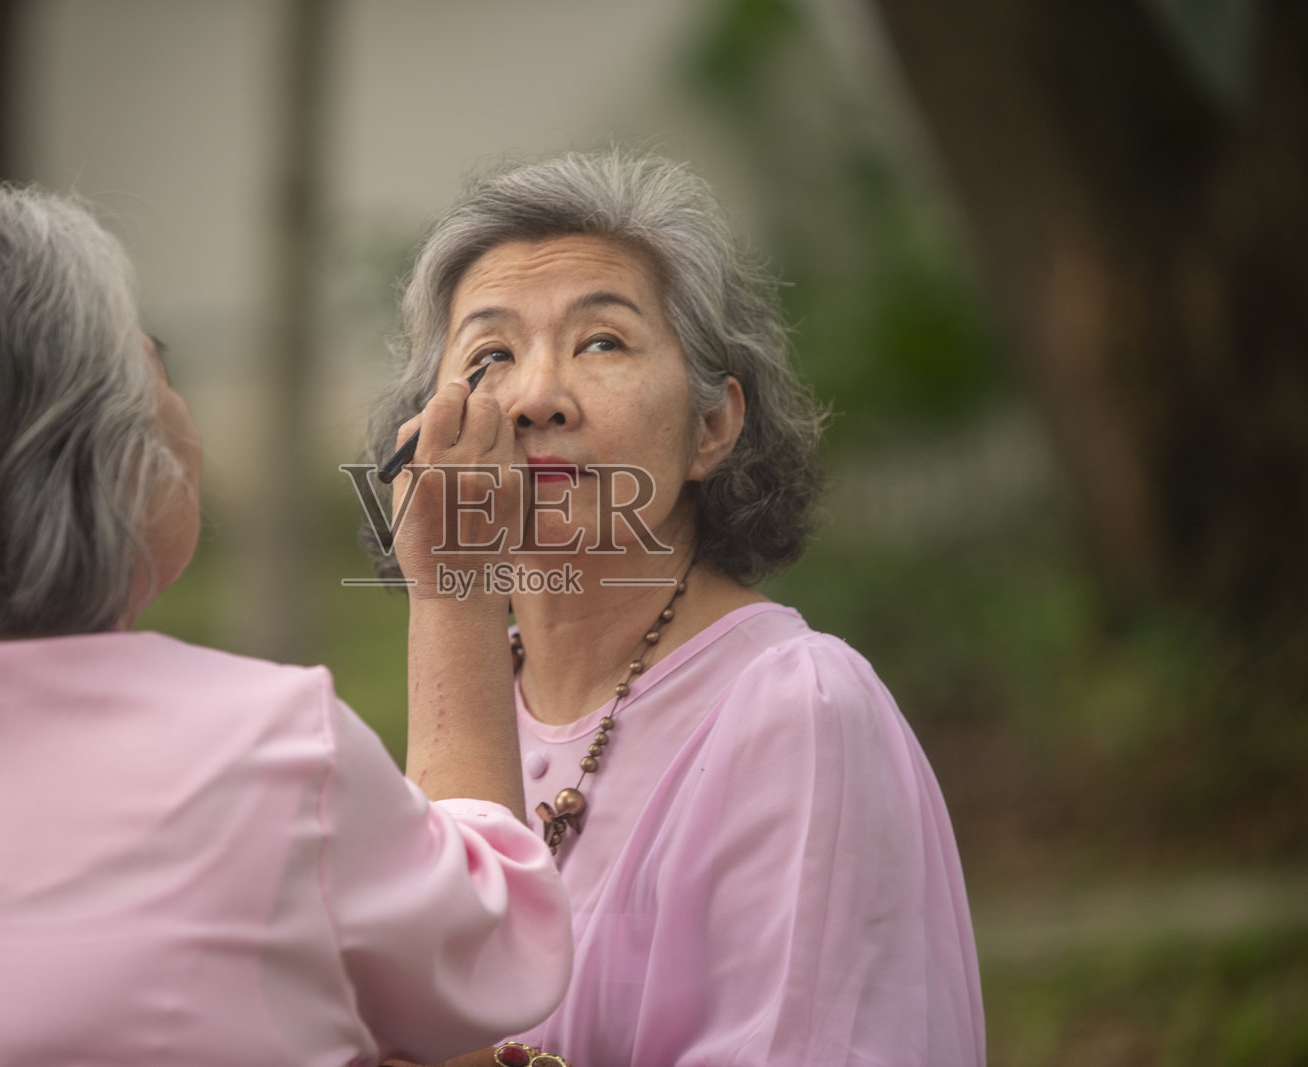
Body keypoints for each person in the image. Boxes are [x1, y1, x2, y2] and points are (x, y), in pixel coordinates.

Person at [0, 185, 570, 1066]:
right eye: (154, 363)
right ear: (102, 466)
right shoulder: (261, 749)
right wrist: (459, 586)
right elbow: (491, 959)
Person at [364, 151, 985, 1066]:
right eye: (490, 356)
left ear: (712, 427)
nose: (537, 396)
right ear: (426, 438)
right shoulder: (455, 712)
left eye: (602, 342)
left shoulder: (798, 709)